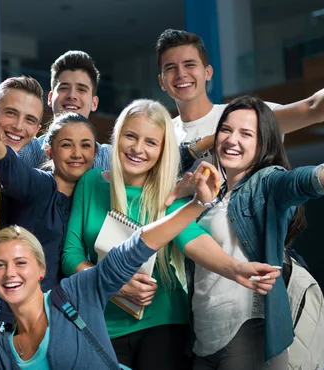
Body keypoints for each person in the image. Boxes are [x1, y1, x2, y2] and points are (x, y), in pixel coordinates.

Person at [0, 171, 280, 370]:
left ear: (40, 269)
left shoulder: (78, 294)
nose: (8, 272)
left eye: (20, 262)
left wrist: (196, 204)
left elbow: (141, 244)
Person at [61, 99, 281, 370]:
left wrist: (235, 269)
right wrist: (112, 284)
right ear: (117, 137)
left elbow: (193, 239)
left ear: (163, 150)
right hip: (102, 323)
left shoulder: (171, 198)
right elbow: (71, 254)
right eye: (130, 136)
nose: (138, 149)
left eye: (151, 142)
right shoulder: (90, 183)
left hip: (163, 322)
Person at [188, 95, 324, 369]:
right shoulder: (212, 194)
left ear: (262, 143)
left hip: (245, 330)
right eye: (227, 130)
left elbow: (300, 182)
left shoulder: (266, 183)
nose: (232, 140)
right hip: (203, 335)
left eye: (246, 134)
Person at [0, 112, 97, 324]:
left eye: (85, 146)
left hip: (70, 324)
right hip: (20, 321)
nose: (77, 154)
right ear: (49, 150)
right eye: (66, 145)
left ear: (95, 152)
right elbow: (16, 173)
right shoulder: (39, 185)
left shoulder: (93, 202)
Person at [156, 29, 324, 160]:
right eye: (170, 68)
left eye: (189, 65)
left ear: (208, 72)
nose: (181, 74)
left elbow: (314, 109)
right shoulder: (157, 137)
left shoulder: (244, 116)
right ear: (161, 81)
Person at [18, 50, 113, 170]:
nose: (72, 95)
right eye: (64, 88)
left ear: (94, 103)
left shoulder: (111, 159)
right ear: (50, 98)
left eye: (81, 89)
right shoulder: (24, 152)